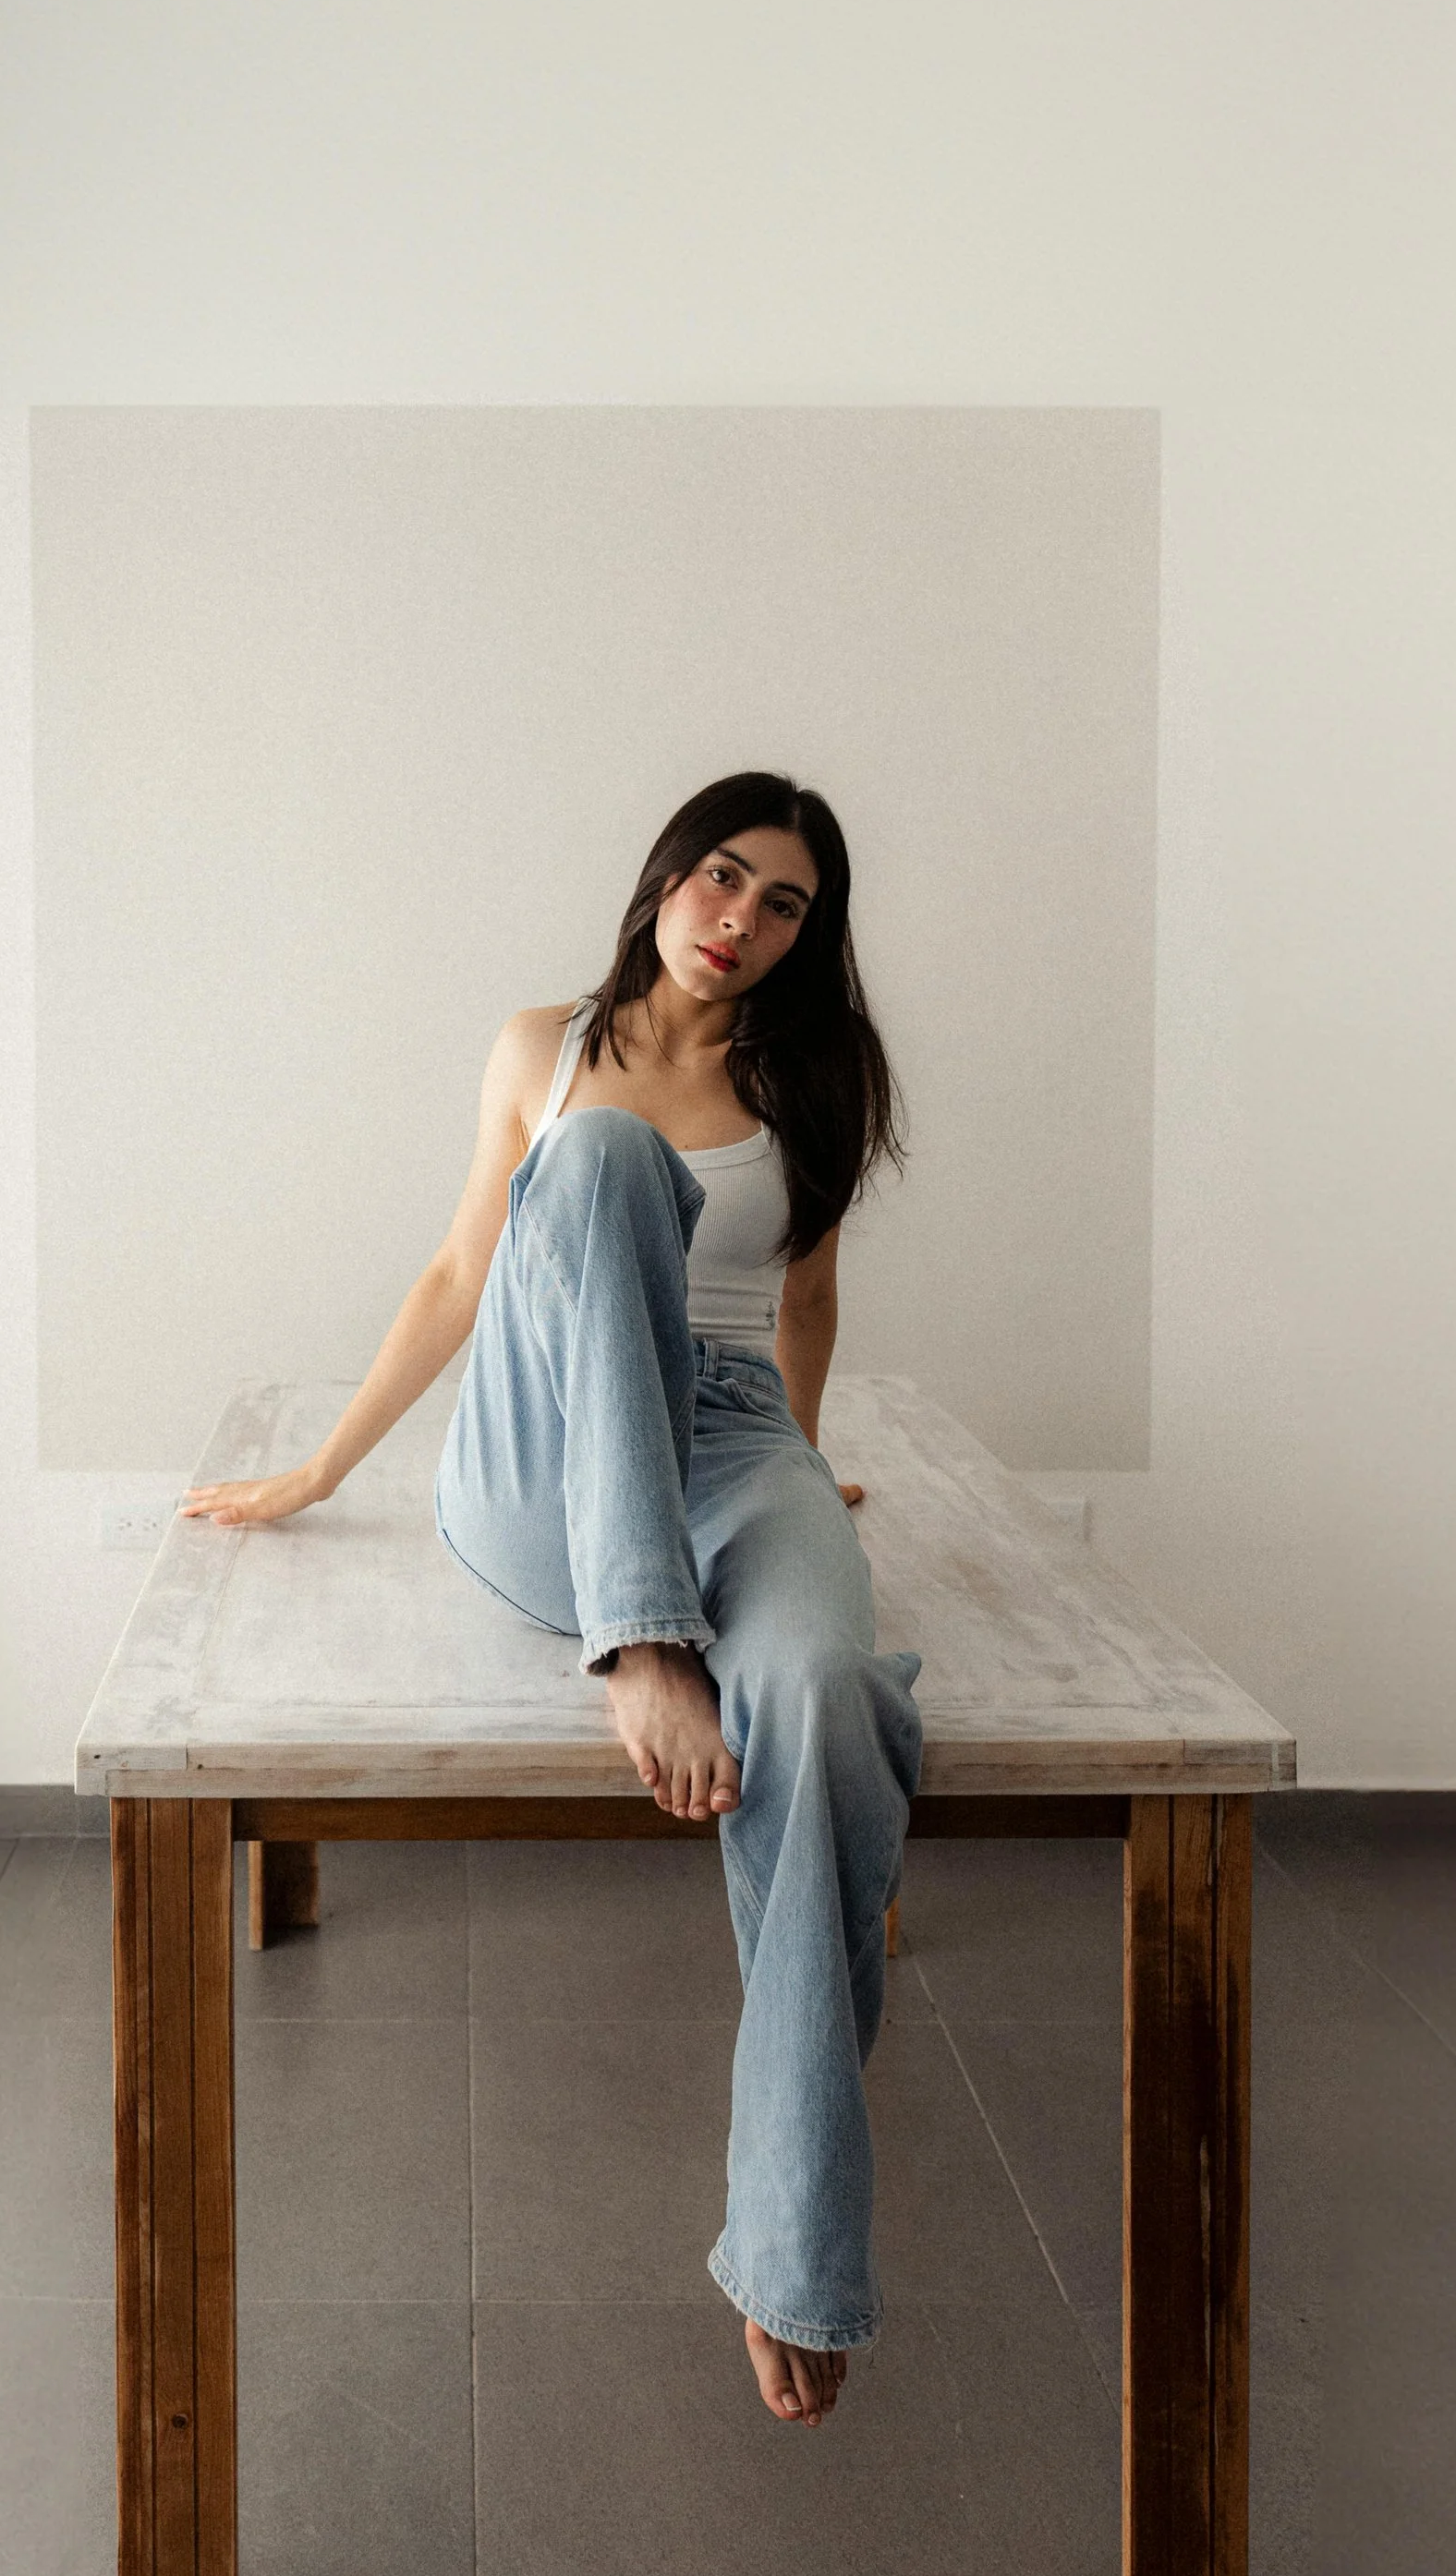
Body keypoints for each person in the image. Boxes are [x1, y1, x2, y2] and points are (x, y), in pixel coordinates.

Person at [178, 771, 918, 2429]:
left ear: (812, 935)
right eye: (721, 878)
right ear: (666, 877)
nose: (739, 920)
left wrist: (799, 1478)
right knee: (594, 1164)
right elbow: (460, 1273)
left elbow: (803, 1299)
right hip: (545, 1457)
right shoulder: (545, 1046)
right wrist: (320, 1471)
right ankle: (638, 1643)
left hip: (725, 1440)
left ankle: (789, 2244)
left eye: (784, 903)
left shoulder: (817, 1079)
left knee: (822, 1693)